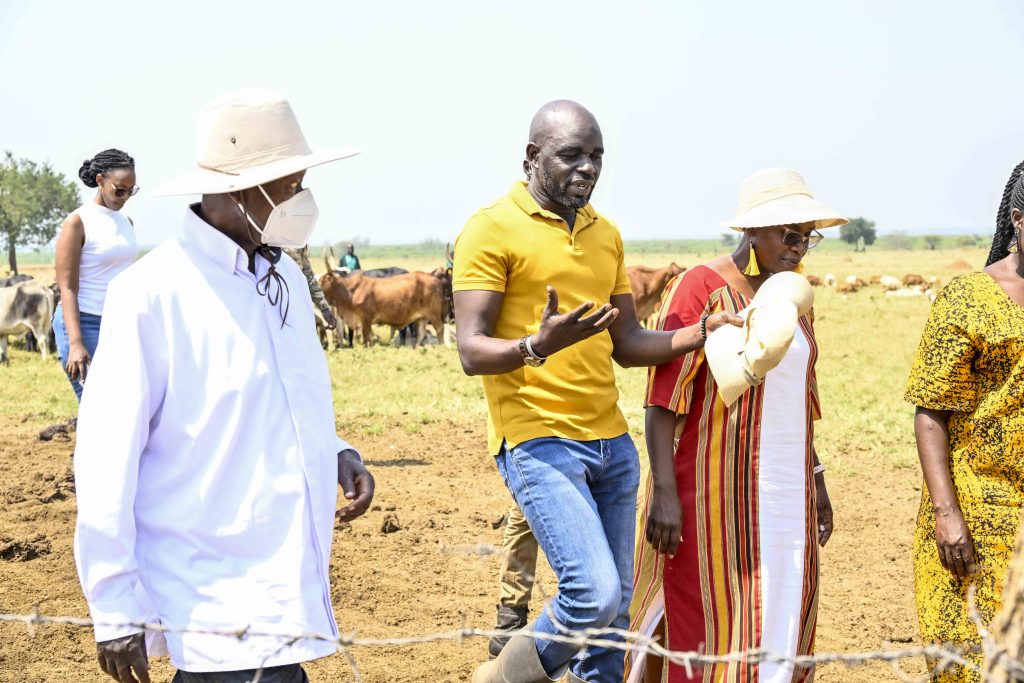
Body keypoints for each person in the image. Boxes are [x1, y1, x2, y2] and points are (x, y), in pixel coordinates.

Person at [73, 91, 374, 683]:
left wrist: (334, 449)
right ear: (242, 191)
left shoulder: (280, 273)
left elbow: (282, 391)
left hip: (284, 576)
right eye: (292, 185)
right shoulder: (152, 294)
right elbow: (105, 459)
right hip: (210, 593)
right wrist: (112, 609)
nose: (304, 200)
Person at [453, 99, 740, 683]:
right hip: (538, 440)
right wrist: (537, 345)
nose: (588, 168)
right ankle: (500, 680)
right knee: (593, 597)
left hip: (612, 444)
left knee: (612, 627)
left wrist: (698, 333)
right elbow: (470, 350)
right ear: (533, 156)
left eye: (597, 157)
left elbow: (628, 341)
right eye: (572, 155)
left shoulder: (604, 234)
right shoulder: (489, 229)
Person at [627, 169, 844, 683]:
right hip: (713, 491)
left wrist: (817, 481)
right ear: (753, 232)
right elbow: (663, 400)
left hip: (786, 497)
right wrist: (663, 490)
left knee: (782, 609)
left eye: (808, 236)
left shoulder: (793, 296)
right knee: (708, 618)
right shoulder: (700, 287)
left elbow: (800, 399)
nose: (800, 249)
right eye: (790, 235)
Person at [904, 159, 1024, 682]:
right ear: (1019, 220)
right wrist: (947, 514)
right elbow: (930, 410)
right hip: (980, 514)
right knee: (976, 663)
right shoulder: (969, 297)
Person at [52, 149, 139, 401]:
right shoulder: (78, 222)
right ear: (100, 181)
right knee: (96, 408)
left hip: (117, 322)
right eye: (120, 189)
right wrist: (76, 342)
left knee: (122, 406)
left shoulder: (127, 222)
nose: (125, 197)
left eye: (131, 190)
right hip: (83, 323)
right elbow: (67, 287)